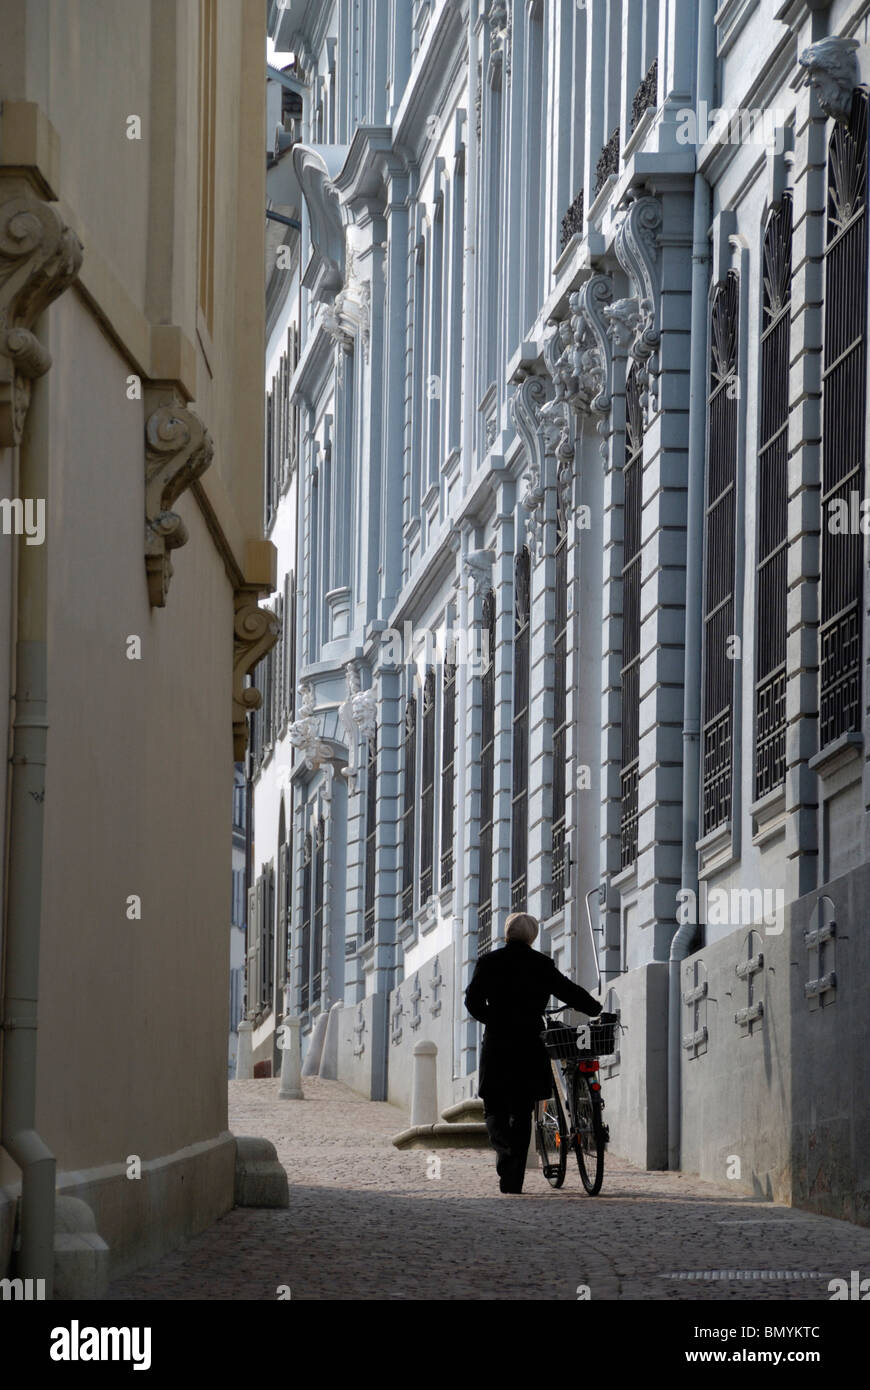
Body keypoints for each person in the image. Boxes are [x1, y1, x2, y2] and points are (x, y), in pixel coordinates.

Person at [464, 911, 604, 1194]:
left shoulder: (489, 962)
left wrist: (493, 1018)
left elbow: (472, 1001)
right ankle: (513, 1179)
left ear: (507, 933)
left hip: (499, 1042)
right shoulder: (541, 964)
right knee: (522, 1109)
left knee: (494, 1107)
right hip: (530, 1041)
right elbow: (568, 990)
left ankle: (506, 1160)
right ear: (532, 937)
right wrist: (594, 1008)